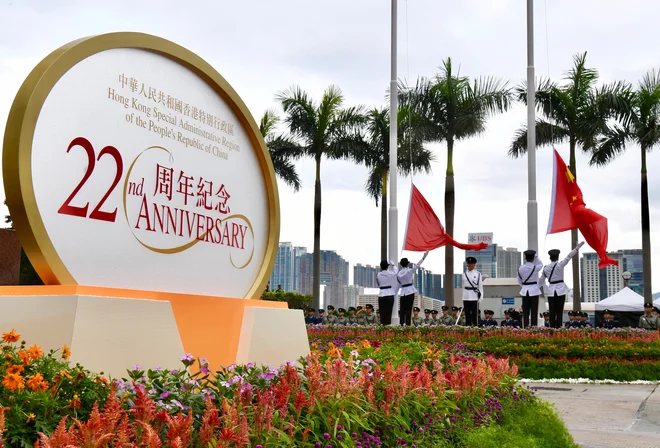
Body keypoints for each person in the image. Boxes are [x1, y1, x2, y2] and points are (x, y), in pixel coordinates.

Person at [538, 243, 584, 329]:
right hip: (561, 290)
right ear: (557, 257)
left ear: (550, 258)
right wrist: (577, 248)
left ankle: (552, 328)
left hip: (551, 291)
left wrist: (535, 288)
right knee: (559, 311)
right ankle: (558, 328)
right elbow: (569, 257)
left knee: (552, 311)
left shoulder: (546, 268)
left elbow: (541, 280)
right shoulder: (560, 264)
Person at [397, 251, 430, 326]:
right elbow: (418, 265)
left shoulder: (399, 274)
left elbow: (398, 281)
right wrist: (423, 257)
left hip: (403, 292)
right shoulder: (409, 271)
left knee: (402, 309)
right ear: (407, 264)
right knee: (409, 309)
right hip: (410, 291)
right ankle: (408, 324)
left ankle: (401, 323)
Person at [517, 249, 543, 328]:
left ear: (525, 257)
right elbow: (541, 264)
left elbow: (519, 280)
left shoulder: (521, 268)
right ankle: (533, 328)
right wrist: (536, 257)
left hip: (524, 291)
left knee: (525, 312)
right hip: (534, 291)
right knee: (534, 311)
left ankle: (525, 328)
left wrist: (524, 286)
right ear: (533, 258)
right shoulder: (536, 267)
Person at [462, 256, 484, 327]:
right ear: (467, 264)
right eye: (469, 264)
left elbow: (480, 286)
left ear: (474, 265)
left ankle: (475, 328)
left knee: (474, 314)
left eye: (471, 264)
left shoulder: (478, 274)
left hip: (474, 295)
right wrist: (463, 296)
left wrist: (481, 297)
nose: (470, 265)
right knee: (467, 314)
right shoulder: (464, 274)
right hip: (466, 296)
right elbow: (463, 286)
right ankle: (468, 328)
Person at [376, 260, 398, 325]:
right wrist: (393, 265)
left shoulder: (378, 274)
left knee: (382, 312)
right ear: (387, 267)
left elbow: (378, 283)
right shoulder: (389, 273)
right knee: (389, 312)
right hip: (389, 293)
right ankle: (387, 327)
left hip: (381, 293)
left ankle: (382, 326)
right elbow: (396, 271)